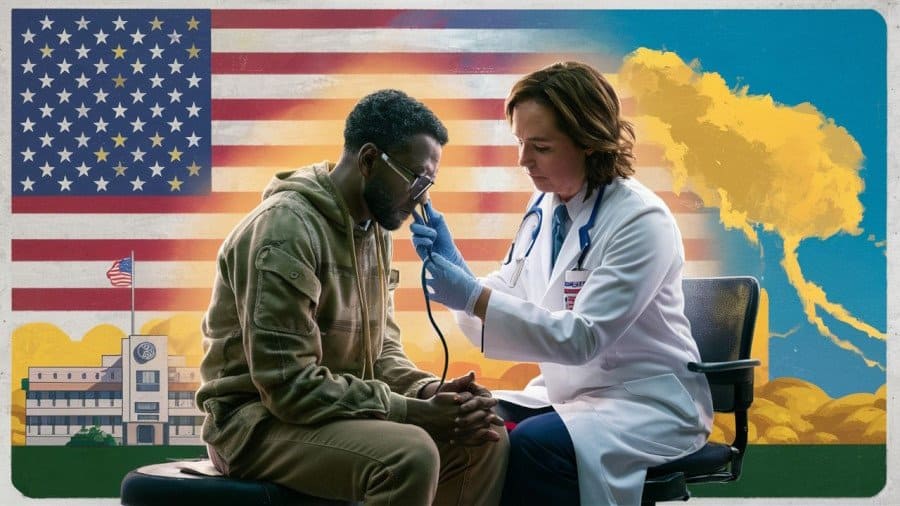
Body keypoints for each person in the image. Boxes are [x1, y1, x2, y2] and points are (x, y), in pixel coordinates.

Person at [409, 62, 714, 505]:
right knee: (474, 421)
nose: (523, 160)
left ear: (589, 142)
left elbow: (583, 338)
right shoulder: (545, 210)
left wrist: (473, 296)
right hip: (570, 395)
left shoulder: (641, 221)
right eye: (520, 143)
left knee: (535, 446)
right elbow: (504, 301)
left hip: (645, 401)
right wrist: (458, 273)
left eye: (541, 147)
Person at [196, 89, 508, 506]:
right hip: (255, 423)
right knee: (409, 456)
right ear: (368, 160)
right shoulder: (285, 230)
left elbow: (382, 354)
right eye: (417, 179)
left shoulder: (374, 230)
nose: (423, 198)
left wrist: (430, 393)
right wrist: (414, 413)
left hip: (333, 412)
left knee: (485, 440)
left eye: (429, 183)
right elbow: (289, 387)